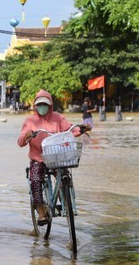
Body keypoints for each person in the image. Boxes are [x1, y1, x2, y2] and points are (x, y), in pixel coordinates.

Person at [17, 90, 91, 225]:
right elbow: (20, 141)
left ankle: (66, 201)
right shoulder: (30, 121)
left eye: (45, 104)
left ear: (50, 105)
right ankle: (41, 211)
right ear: (35, 105)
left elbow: (69, 131)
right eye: (39, 104)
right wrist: (27, 135)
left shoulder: (58, 118)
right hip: (38, 158)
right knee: (35, 179)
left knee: (64, 176)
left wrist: (82, 129)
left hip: (56, 156)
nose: (42, 107)